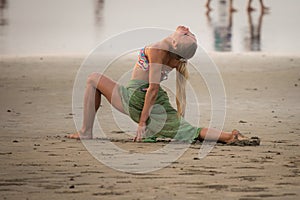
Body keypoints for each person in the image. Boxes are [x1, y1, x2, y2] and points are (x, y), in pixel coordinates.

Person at [67, 25, 258, 145]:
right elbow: (168, 90)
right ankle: (230, 136)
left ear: (175, 43)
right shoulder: (177, 55)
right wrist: (171, 117)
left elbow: (153, 88)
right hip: (156, 101)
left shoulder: (158, 50)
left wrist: (142, 123)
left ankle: (86, 131)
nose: (187, 30)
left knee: (93, 78)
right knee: (190, 130)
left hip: (137, 98)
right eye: (189, 33)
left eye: (187, 34)